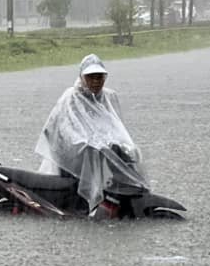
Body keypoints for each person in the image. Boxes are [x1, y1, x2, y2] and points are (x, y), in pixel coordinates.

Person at [34, 54, 146, 212]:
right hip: (69, 155)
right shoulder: (70, 98)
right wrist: (84, 142)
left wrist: (122, 144)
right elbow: (63, 129)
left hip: (96, 151)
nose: (96, 81)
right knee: (79, 188)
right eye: (91, 77)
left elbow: (116, 125)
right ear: (82, 77)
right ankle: (81, 209)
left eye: (99, 77)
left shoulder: (108, 97)